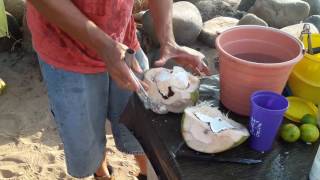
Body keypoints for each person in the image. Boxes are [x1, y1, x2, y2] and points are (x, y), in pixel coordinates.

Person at [26, 0, 210, 179]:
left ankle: (146, 173)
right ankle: (102, 174)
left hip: (124, 41)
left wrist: (168, 40)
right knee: (85, 134)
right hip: (64, 50)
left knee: (143, 127)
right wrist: (105, 46)